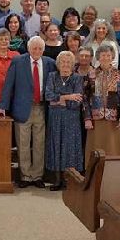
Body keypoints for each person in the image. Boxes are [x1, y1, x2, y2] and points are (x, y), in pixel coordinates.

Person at [0, 36, 57, 189]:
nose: (37, 51)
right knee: (23, 143)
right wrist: (3, 107)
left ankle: (37, 176)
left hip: (41, 108)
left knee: (39, 143)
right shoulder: (18, 61)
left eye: (40, 49)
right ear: (29, 49)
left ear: (43, 50)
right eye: (34, 48)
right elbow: (8, 85)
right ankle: (25, 176)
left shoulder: (50, 63)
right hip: (22, 108)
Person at [44, 51, 84, 191]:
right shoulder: (52, 76)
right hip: (55, 118)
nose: (65, 65)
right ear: (58, 64)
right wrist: (68, 97)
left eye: (68, 62)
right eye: (63, 62)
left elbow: (76, 102)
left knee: (69, 147)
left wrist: (59, 100)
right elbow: (48, 96)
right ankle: (57, 181)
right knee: (56, 145)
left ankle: (69, 181)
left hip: (71, 119)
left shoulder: (77, 79)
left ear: (73, 65)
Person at [86, 45, 120, 157]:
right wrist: (87, 118)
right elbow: (86, 98)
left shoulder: (119, 75)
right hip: (96, 120)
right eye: (103, 55)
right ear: (98, 57)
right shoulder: (91, 75)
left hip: (114, 120)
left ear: (112, 57)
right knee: (95, 150)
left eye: (108, 55)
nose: (105, 58)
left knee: (113, 149)